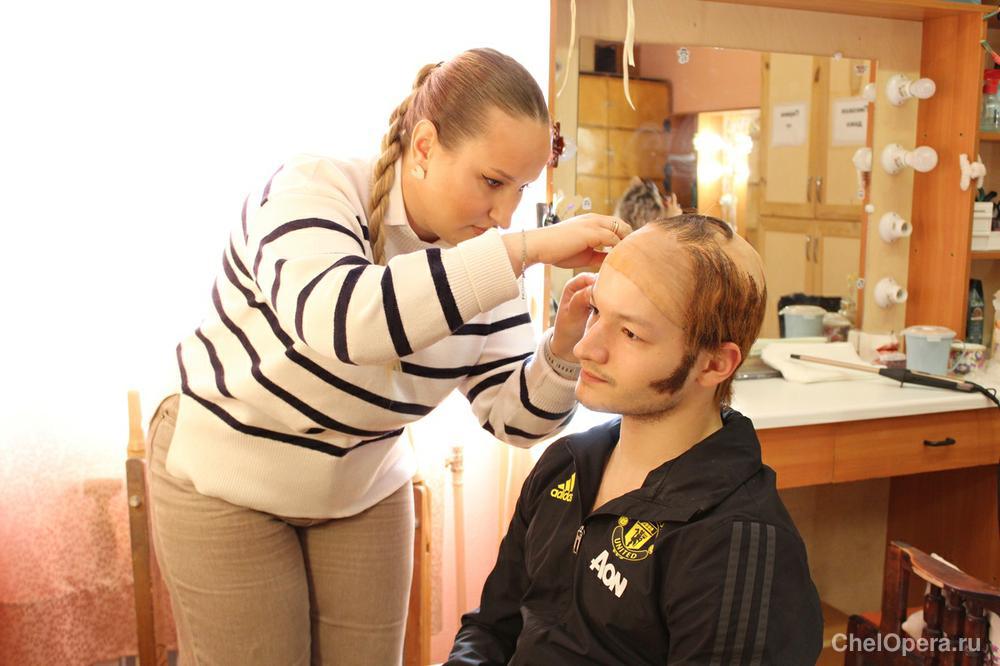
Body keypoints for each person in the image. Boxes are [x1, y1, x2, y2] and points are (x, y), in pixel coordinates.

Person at [146, 48, 632, 665]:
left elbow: (515, 419)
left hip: (361, 481)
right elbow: (345, 321)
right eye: (491, 182)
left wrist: (562, 348)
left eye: (521, 189)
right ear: (424, 145)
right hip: (229, 468)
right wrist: (525, 249)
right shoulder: (313, 189)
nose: (505, 213)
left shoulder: (481, 258)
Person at [447, 214, 824, 665]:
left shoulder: (734, 543)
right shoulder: (567, 463)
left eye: (631, 333)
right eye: (596, 311)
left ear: (714, 364)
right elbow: (492, 627)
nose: (586, 347)